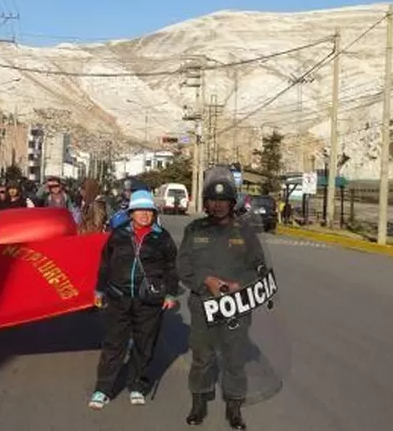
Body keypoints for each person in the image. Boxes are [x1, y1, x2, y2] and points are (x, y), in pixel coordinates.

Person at [177, 178, 267, 429]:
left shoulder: (244, 232)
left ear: (231, 203)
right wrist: (206, 281)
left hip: (235, 305)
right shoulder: (194, 230)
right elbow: (182, 266)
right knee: (202, 356)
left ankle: (234, 407)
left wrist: (241, 285)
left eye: (223, 201)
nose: (217, 205)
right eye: (213, 200)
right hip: (203, 304)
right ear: (206, 203)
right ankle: (198, 402)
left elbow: (258, 267)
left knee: (234, 358)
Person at [88, 190, 180, 410]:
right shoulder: (118, 234)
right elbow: (105, 264)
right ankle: (103, 389)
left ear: (154, 213)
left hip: (149, 300)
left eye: (148, 211)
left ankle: (137, 385)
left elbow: (171, 268)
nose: (144, 215)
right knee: (114, 344)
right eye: (140, 210)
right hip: (119, 296)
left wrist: (171, 294)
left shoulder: (162, 237)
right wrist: (99, 290)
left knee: (144, 344)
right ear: (131, 213)